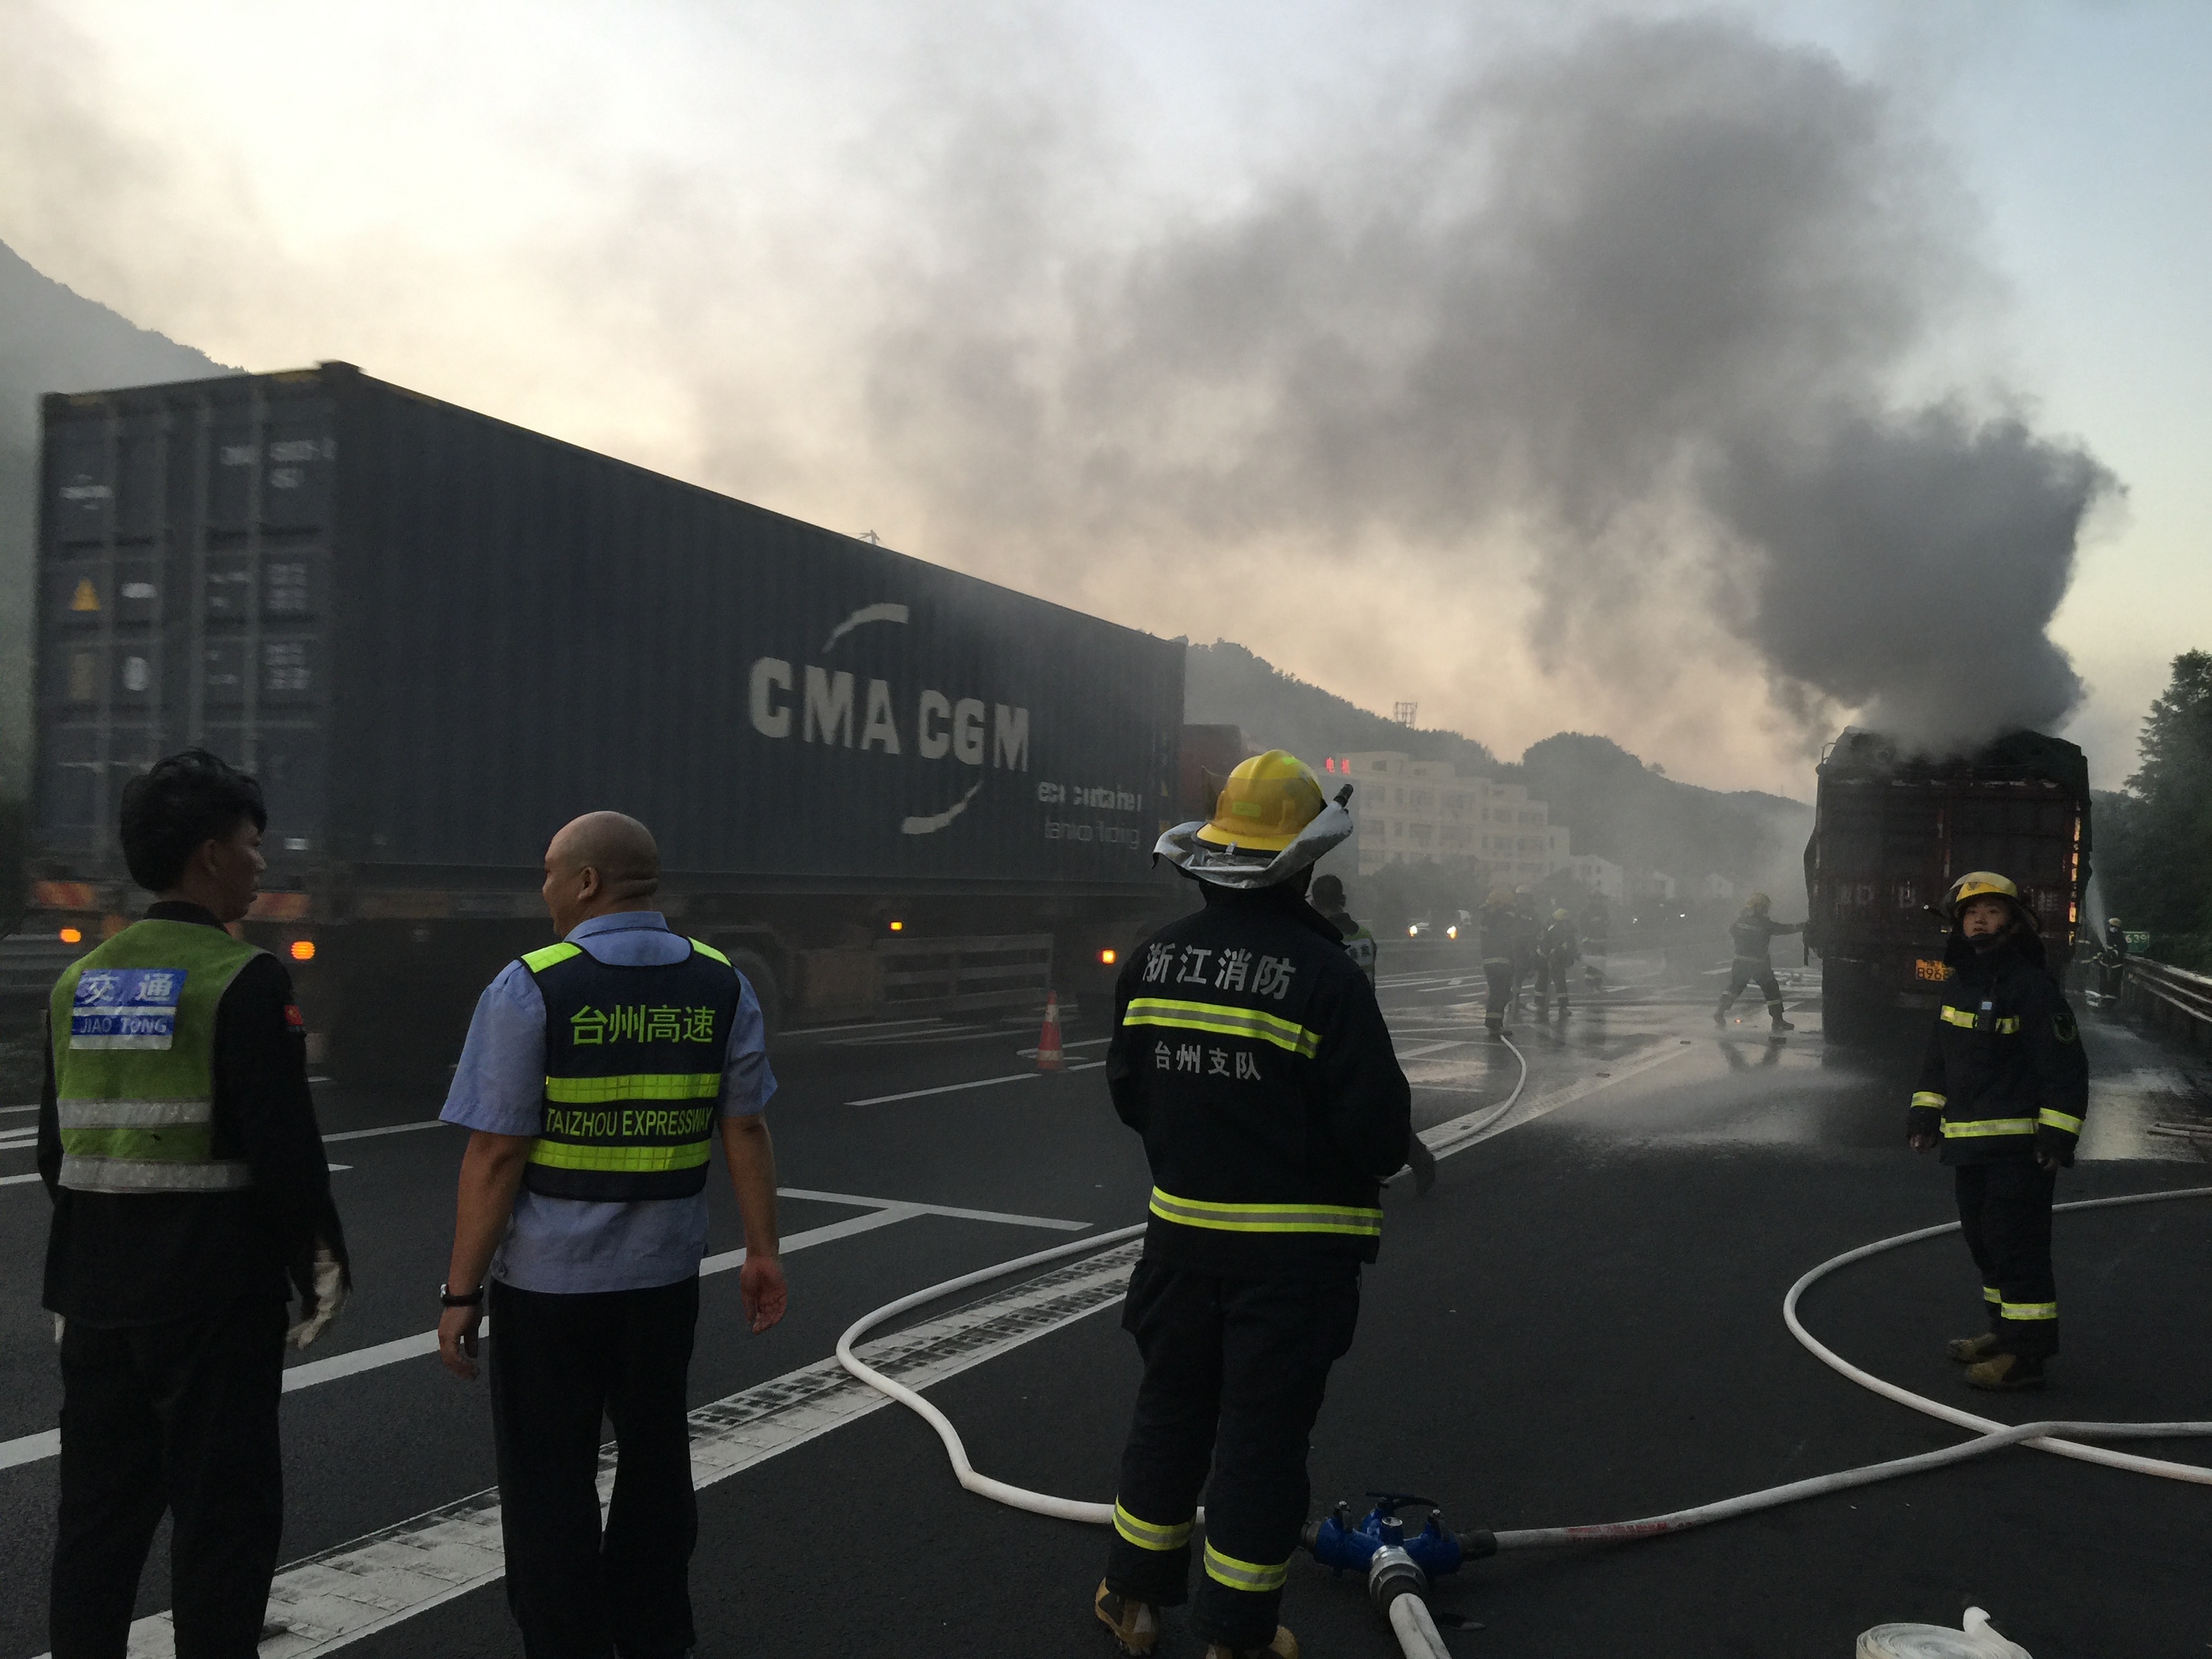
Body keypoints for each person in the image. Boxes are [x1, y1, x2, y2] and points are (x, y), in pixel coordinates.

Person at [435, 811, 786, 1659]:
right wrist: (762, 1251)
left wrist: (460, 1292)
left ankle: (564, 1640)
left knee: (548, 1477)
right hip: (663, 1280)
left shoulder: (532, 984)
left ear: (587, 882)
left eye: (551, 872)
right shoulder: (721, 981)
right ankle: (655, 1631)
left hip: (549, 1287)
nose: (545, 890)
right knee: (656, 1459)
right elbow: (745, 1127)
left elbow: (496, 1153)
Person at [1096, 751, 1412, 1659]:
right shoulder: (1326, 977)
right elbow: (1380, 1139)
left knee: (1169, 1417)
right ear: (1303, 865)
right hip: (1293, 1268)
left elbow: (1129, 1094)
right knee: (1261, 1444)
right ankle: (1234, 1634)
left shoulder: (1154, 959)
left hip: (1178, 1248)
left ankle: (1133, 1602)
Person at [38, 748, 348, 1658]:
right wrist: (320, 1261)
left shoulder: (79, 982)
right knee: (223, 1522)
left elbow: (57, 1154)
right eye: (252, 844)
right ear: (210, 856)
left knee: (97, 1525)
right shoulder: (242, 979)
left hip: (92, 1292)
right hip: (213, 1296)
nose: (261, 861)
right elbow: (285, 1149)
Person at [1906, 872, 2087, 1392]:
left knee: (2017, 1248)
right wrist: (1924, 1114)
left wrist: (2057, 1136)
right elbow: (1939, 1058)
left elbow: (2064, 1067)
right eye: (1971, 912)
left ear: (2014, 921)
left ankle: (2026, 1358)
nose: (1980, 920)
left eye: (1992, 911)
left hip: (2018, 1151)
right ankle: (2003, 1333)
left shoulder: (2030, 986)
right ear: (1959, 923)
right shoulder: (1961, 983)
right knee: (1985, 1243)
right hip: (1969, 1147)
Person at [1713, 892, 1804, 1033]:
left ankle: (1720, 1011)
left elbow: (1732, 931)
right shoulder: (1764, 923)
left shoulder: (1741, 921)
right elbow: (1782, 929)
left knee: (1735, 987)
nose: (1766, 910)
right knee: (1771, 990)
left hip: (1740, 961)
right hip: (1759, 963)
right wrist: (1802, 927)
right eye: (1764, 907)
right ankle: (1778, 1020)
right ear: (1756, 907)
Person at [1308, 873, 1376, 987]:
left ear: (1313, 904)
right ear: (1343, 899)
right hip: (1365, 998)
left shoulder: (1315, 940)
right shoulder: (1365, 936)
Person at [1477, 888, 1518, 1040]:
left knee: (1498, 992)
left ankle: (1494, 1023)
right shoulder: (1500, 918)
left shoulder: (1487, 917)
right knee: (1500, 992)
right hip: (1501, 960)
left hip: (1491, 960)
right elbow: (1508, 939)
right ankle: (1494, 1025)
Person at [1534, 908, 1580, 1020]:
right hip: (1546, 959)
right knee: (1544, 981)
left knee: (1559, 983)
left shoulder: (1566, 931)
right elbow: (1545, 945)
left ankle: (1561, 1007)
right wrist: (1550, 954)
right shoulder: (1552, 930)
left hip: (1556, 960)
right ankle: (1541, 1005)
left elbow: (1569, 945)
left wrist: (1571, 954)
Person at [1579, 889, 1609, 992]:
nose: (1599, 901)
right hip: (1591, 941)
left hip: (1602, 941)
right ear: (1592, 900)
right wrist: (1585, 939)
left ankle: (1598, 985)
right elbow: (1583, 927)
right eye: (1597, 899)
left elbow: (1607, 924)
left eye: (1600, 899)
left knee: (1601, 964)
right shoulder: (1586, 912)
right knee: (1592, 964)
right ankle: (1590, 986)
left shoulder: (1603, 911)